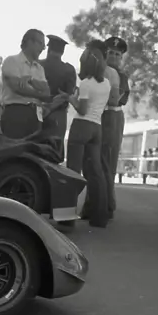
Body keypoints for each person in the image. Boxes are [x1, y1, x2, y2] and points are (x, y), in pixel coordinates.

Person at [65, 45, 112, 228]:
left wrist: (71, 98)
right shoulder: (106, 83)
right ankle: (100, 217)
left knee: (72, 172)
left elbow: (82, 109)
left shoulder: (85, 83)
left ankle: (67, 217)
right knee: (96, 173)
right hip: (96, 128)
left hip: (81, 126)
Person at [0, 29, 67, 139]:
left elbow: (47, 92)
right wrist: (39, 92)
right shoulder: (11, 61)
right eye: (40, 44)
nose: (43, 48)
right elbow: (17, 88)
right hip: (15, 113)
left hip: (36, 116)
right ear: (29, 42)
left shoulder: (39, 68)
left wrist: (30, 80)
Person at [102, 36, 130, 217]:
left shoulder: (121, 76)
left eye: (117, 54)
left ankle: (107, 204)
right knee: (94, 162)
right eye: (110, 53)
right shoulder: (98, 71)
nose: (113, 56)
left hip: (112, 115)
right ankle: (93, 203)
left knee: (108, 160)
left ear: (121, 58)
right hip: (97, 115)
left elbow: (122, 98)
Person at [40, 35, 77, 159]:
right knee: (53, 152)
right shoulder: (68, 69)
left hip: (36, 111)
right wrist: (51, 108)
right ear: (62, 52)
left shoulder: (37, 65)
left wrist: (44, 107)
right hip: (58, 115)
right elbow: (68, 95)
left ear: (48, 49)